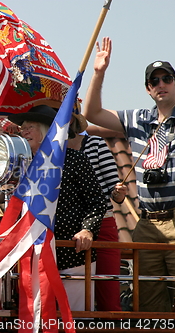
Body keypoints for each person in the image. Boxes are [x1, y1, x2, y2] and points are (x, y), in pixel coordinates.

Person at [83, 36, 175, 312]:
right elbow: (91, 113)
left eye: (166, 79)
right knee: (148, 306)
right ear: (148, 89)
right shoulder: (138, 119)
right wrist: (98, 73)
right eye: (154, 81)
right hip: (147, 223)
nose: (161, 84)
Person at [8, 105, 107, 311]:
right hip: (33, 255)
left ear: (47, 130)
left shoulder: (75, 160)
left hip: (72, 253)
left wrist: (87, 229)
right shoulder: (21, 167)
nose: (23, 132)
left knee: (76, 317)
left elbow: (97, 202)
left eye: (29, 127)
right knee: (36, 318)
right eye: (22, 128)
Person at [68, 124, 127, 311]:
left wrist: (118, 193)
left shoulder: (95, 143)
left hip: (101, 222)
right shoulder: (47, 150)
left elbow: (113, 188)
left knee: (107, 292)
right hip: (65, 227)